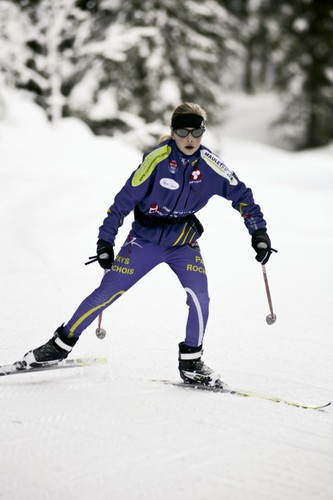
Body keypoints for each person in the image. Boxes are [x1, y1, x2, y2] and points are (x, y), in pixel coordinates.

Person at [23, 102, 275, 387]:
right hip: (145, 240)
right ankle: (58, 346)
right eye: (182, 131)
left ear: (203, 132)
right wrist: (106, 241)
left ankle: (191, 363)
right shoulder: (156, 161)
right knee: (107, 293)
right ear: (173, 132)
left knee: (199, 298)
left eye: (196, 131)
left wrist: (259, 233)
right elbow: (122, 202)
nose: (190, 139)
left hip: (182, 242)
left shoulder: (211, 165)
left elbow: (243, 196)